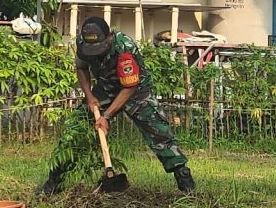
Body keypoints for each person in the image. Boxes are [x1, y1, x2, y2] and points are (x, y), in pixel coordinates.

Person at [38, 15, 196, 195]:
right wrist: (90, 97)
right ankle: (54, 181)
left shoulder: (124, 47)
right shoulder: (82, 43)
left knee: (159, 132)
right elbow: (81, 68)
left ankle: (184, 179)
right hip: (106, 88)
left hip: (136, 90)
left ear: (109, 37)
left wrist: (106, 116)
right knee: (77, 128)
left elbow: (129, 87)